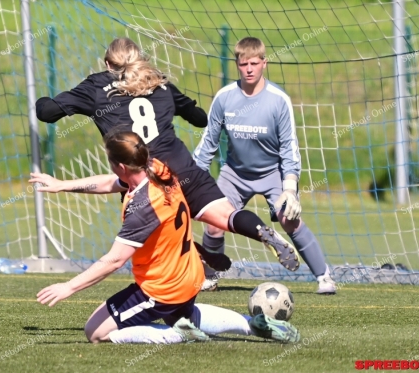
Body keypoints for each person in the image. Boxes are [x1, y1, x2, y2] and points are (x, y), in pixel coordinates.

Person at [36, 37, 300, 274]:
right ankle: (259, 231)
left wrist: (41, 101)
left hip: (143, 174)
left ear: (107, 64)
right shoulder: (158, 81)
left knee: (149, 235)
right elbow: (199, 118)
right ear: (139, 58)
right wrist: (181, 107)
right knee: (226, 215)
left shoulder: (97, 86)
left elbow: (47, 113)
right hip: (182, 166)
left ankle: (197, 255)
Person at [31, 130, 300, 344]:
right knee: (185, 315)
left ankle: (176, 336)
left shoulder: (143, 208)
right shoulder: (158, 169)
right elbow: (112, 183)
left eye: (112, 163)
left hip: (161, 289)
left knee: (95, 331)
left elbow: (113, 261)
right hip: (189, 276)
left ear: (121, 166)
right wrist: (62, 185)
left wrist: (68, 287)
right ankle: (251, 324)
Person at [194, 37, 336, 294]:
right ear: (237, 64)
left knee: (289, 220)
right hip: (235, 173)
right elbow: (208, 143)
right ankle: (210, 276)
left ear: (264, 63)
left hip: (273, 173)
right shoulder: (225, 98)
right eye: (243, 63)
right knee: (214, 223)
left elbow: (289, 147)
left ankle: (324, 277)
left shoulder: (278, 100)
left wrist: (290, 188)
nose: (249, 68)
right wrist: (191, 180)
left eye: (254, 63)